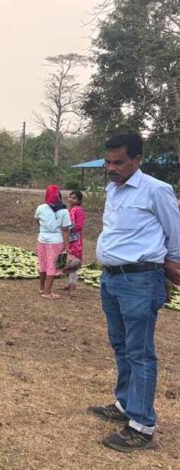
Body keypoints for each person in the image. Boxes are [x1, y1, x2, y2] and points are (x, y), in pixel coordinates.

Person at [88, 133, 180, 452]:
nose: (111, 168)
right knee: (120, 344)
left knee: (140, 352)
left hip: (140, 280)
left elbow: (175, 236)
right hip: (112, 279)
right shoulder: (113, 188)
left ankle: (141, 426)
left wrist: (168, 276)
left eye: (118, 162)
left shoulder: (156, 190)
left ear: (137, 160)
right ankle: (125, 404)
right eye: (108, 162)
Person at [34, 185, 72, 299]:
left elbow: (37, 219)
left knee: (43, 264)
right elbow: (65, 230)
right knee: (52, 266)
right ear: (58, 195)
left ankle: (42, 288)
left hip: (42, 239)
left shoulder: (41, 208)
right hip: (56, 241)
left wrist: (44, 228)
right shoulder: (64, 211)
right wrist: (67, 246)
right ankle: (48, 292)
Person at [63, 190, 86, 291]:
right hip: (69, 239)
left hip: (75, 241)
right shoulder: (70, 210)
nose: (71, 199)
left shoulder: (78, 210)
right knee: (69, 262)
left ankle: (73, 285)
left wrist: (67, 227)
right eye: (70, 197)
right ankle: (70, 283)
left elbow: (79, 226)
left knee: (74, 263)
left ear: (79, 200)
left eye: (74, 198)